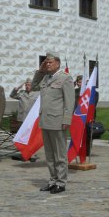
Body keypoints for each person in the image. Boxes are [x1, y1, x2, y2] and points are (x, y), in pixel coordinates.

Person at [31, 52, 75, 194]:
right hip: (46, 120)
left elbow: (69, 101)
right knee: (49, 155)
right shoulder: (45, 78)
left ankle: (61, 183)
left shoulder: (65, 78)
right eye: (46, 62)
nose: (48, 64)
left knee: (60, 154)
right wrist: (40, 70)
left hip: (58, 121)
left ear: (57, 63)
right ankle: (52, 180)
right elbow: (33, 86)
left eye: (50, 62)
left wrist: (67, 119)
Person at [9, 77, 40, 162]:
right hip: (22, 119)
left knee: (31, 137)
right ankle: (24, 153)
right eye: (26, 85)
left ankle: (32, 154)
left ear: (32, 85)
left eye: (29, 84)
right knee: (23, 137)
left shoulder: (37, 94)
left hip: (31, 119)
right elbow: (12, 96)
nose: (27, 86)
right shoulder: (22, 93)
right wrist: (16, 89)